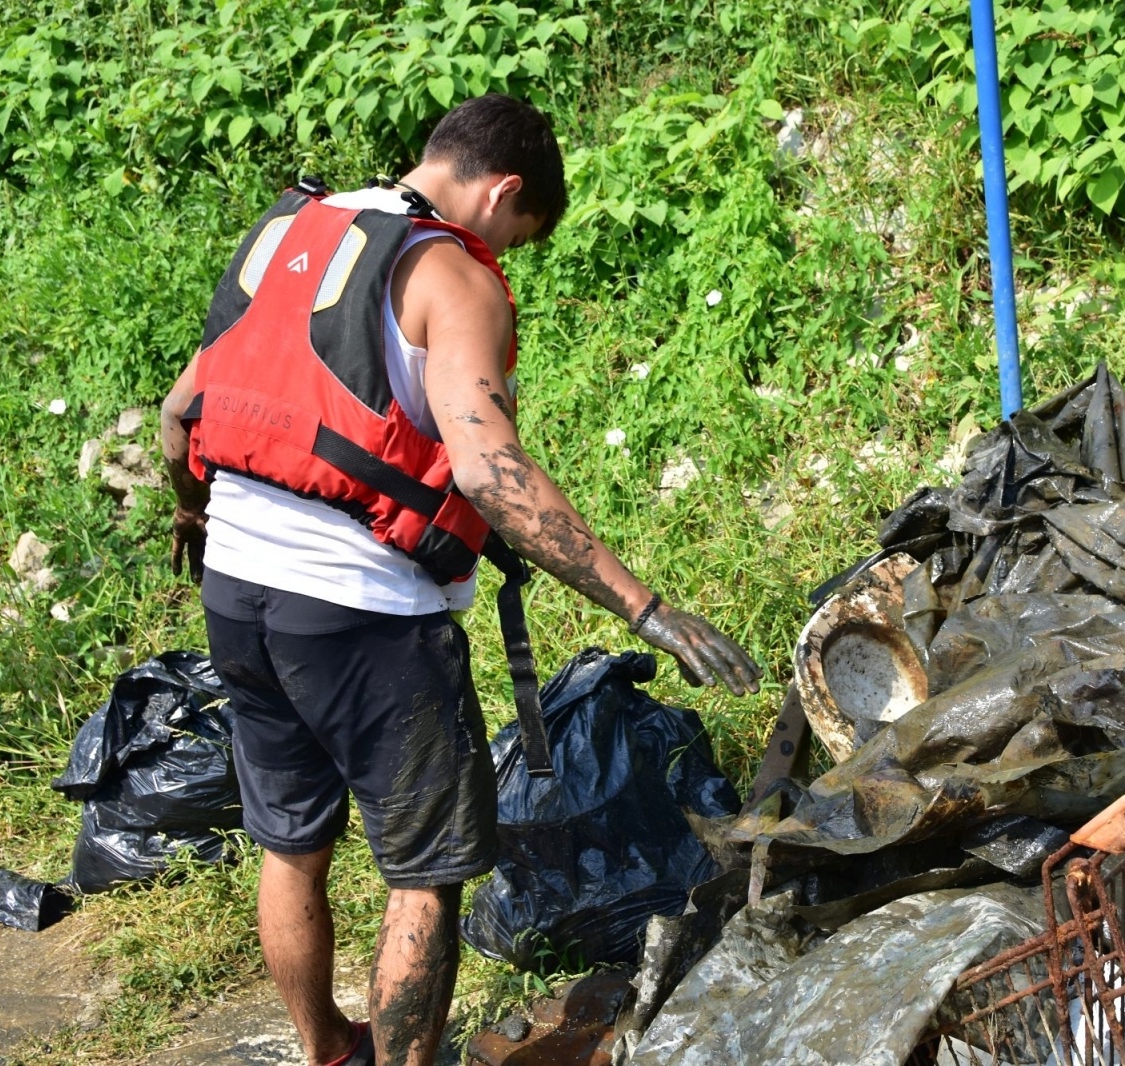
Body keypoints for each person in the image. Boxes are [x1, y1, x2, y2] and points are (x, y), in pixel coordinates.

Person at [159, 93, 762, 1066]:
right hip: (362, 614)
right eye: (518, 236)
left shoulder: (290, 232)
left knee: (291, 843)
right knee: (426, 877)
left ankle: (325, 1051)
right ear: (506, 190)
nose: (507, 256)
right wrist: (645, 607)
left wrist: (192, 509)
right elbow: (488, 469)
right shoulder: (448, 272)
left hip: (235, 582)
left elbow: (182, 409)